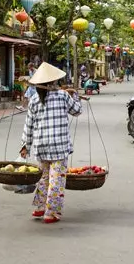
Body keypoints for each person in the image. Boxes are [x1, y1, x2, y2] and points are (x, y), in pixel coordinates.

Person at [20, 62, 82, 224]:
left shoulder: (34, 99)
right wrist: (74, 95)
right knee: (57, 179)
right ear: (52, 82)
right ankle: (51, 213)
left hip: (41, 146)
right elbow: (77, 111)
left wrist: (25, 146)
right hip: (59, 146)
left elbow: (29, 125)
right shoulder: (62, 96)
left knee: (44, 176)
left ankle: (41, 207)